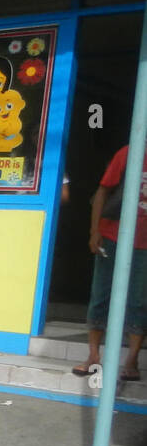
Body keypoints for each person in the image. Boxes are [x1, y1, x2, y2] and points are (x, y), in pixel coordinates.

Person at [75, 144, 146, 383]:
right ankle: (93, 356)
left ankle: (132, 360)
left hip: (144, 244)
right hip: (113, 235)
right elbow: (103, 191)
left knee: (138, 301)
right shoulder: (128, 153)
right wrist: (95, 231)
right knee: (101, 295)